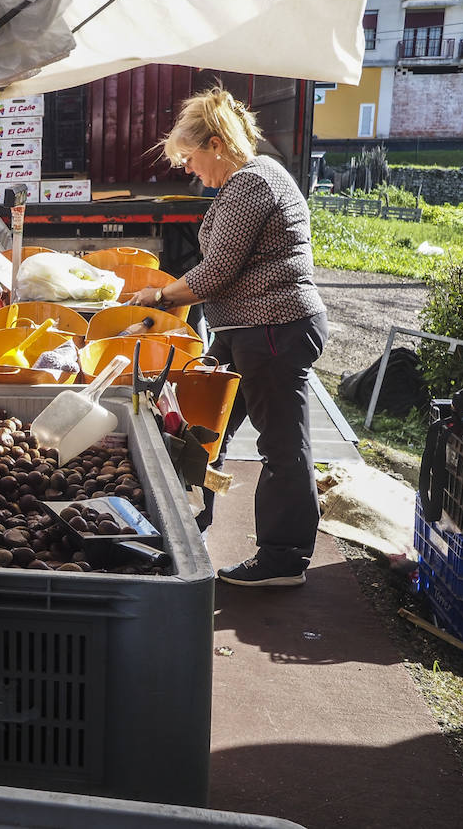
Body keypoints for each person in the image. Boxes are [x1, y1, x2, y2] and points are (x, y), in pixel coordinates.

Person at [128, 87, 327, 588]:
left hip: (273, 329)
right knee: (201, 430)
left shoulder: (251, 182)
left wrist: (159, 297)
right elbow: (218, 269)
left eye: (191, 159)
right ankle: (190, 527)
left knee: (282, 444)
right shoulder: (248, 182)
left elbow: (215, 271)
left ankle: (283, 560)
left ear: (216, 144)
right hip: (247, 331)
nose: (191, 171)